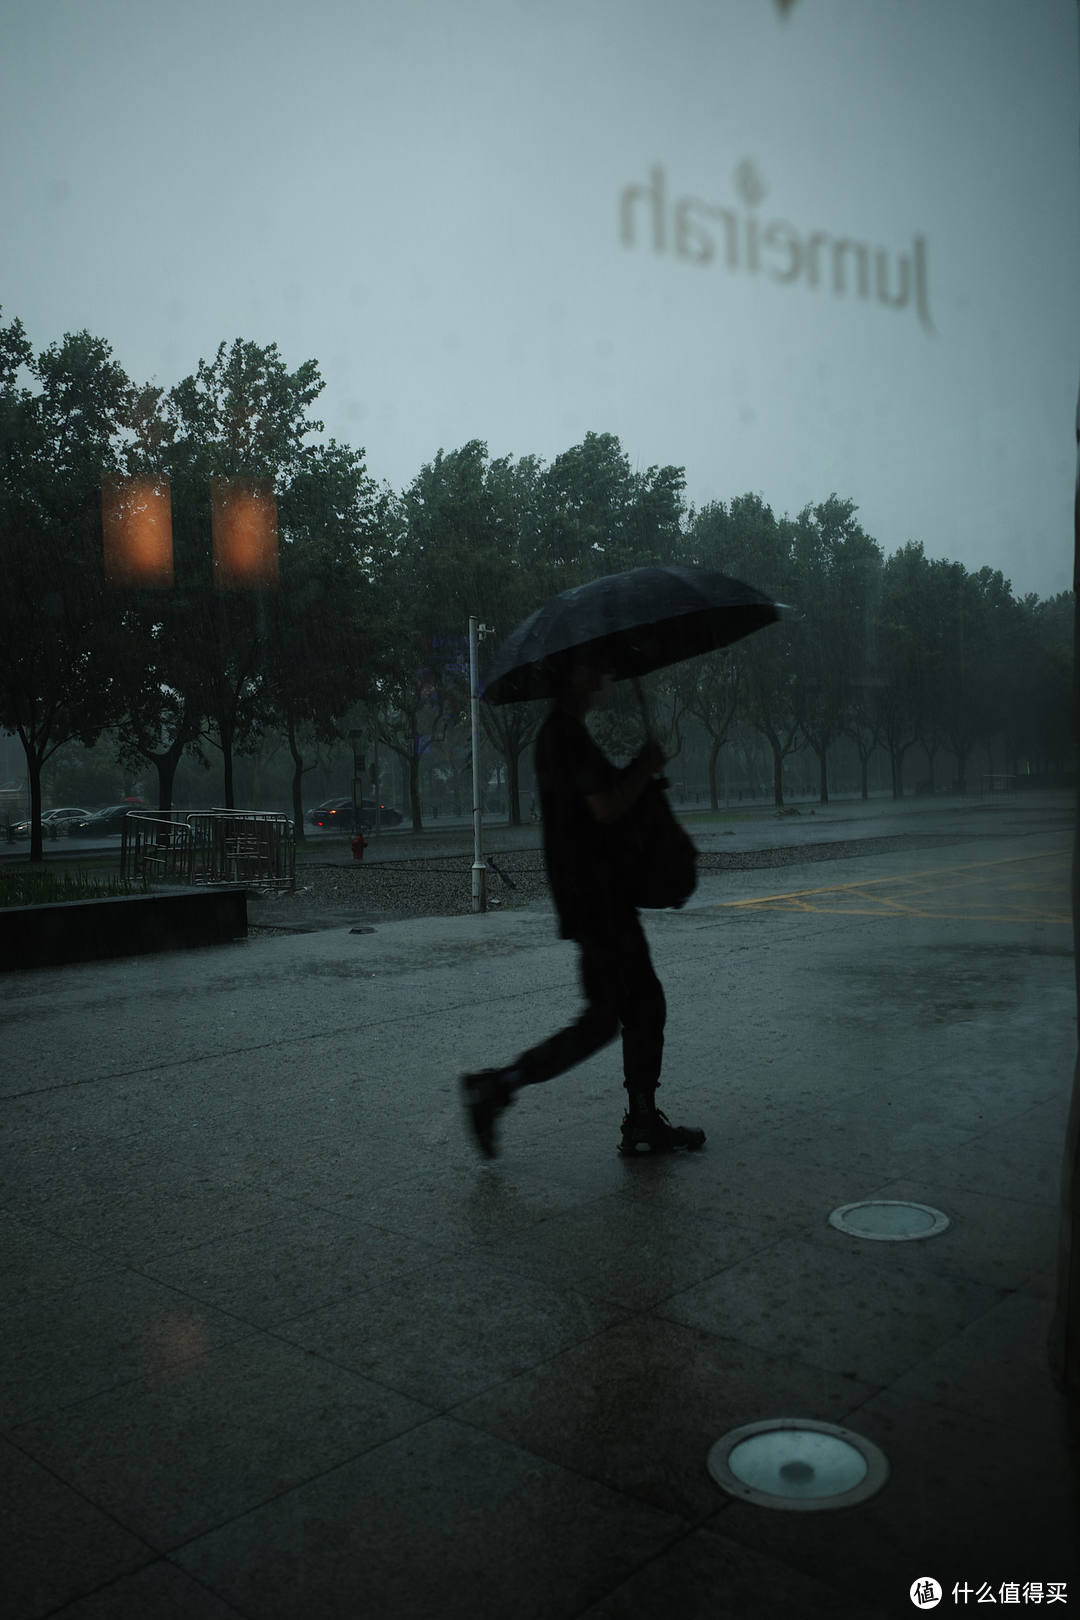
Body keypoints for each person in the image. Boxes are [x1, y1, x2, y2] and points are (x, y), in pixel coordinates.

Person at [461, 658, 706, 1159]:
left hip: (592, 896)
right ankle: (507, 1089)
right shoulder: (564, 735)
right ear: (570, 675)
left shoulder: (565, 734)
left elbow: (603, 796)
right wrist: (643, 767)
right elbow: (605, 806)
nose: (602, 677)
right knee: (636, 1007)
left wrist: (639, 769)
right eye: (592, 669)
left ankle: (504, 1088)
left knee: (613, 1014)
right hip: (598, 897)